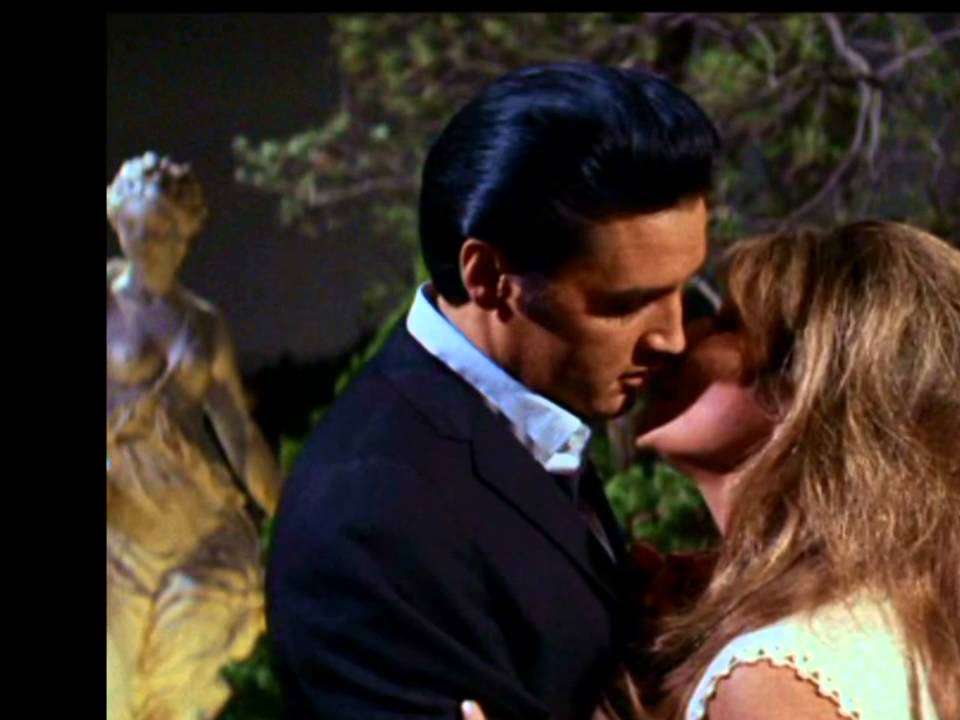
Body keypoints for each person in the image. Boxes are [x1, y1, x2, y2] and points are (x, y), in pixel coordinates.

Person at [266, 62, 721, 720]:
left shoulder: (514, 420)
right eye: (625, 304)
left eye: (683, 288)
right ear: (488, 277)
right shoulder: (375, 511)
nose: (673, 337)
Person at [463, 220, 960, 720]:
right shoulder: (919, 645)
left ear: (810, 390)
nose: (678, 340)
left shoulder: (774, 674)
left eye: (729, 323)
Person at [106, 152, 282, 719]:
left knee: (179, 691)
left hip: (195, 520)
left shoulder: (203, 323)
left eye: (158, 231)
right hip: (120, 521)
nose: (142, 243)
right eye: (131, 227)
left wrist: (291, 515)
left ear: (184, 235)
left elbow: (239, 433)